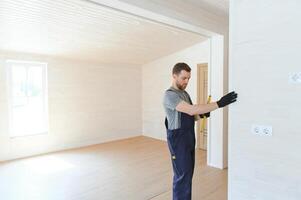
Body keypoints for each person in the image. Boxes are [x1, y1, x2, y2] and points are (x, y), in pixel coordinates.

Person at [163, 62, 237, 200]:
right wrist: (219, 104)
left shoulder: (185, 94)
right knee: (182, 176)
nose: (186, 82)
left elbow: (191, 115)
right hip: (178, 141)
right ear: (174, 76)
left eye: (189, 78)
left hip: (189, 138)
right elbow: (191, 109)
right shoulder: (170, 95)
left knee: (188, 174)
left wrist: (201, 115)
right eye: (184, 78)